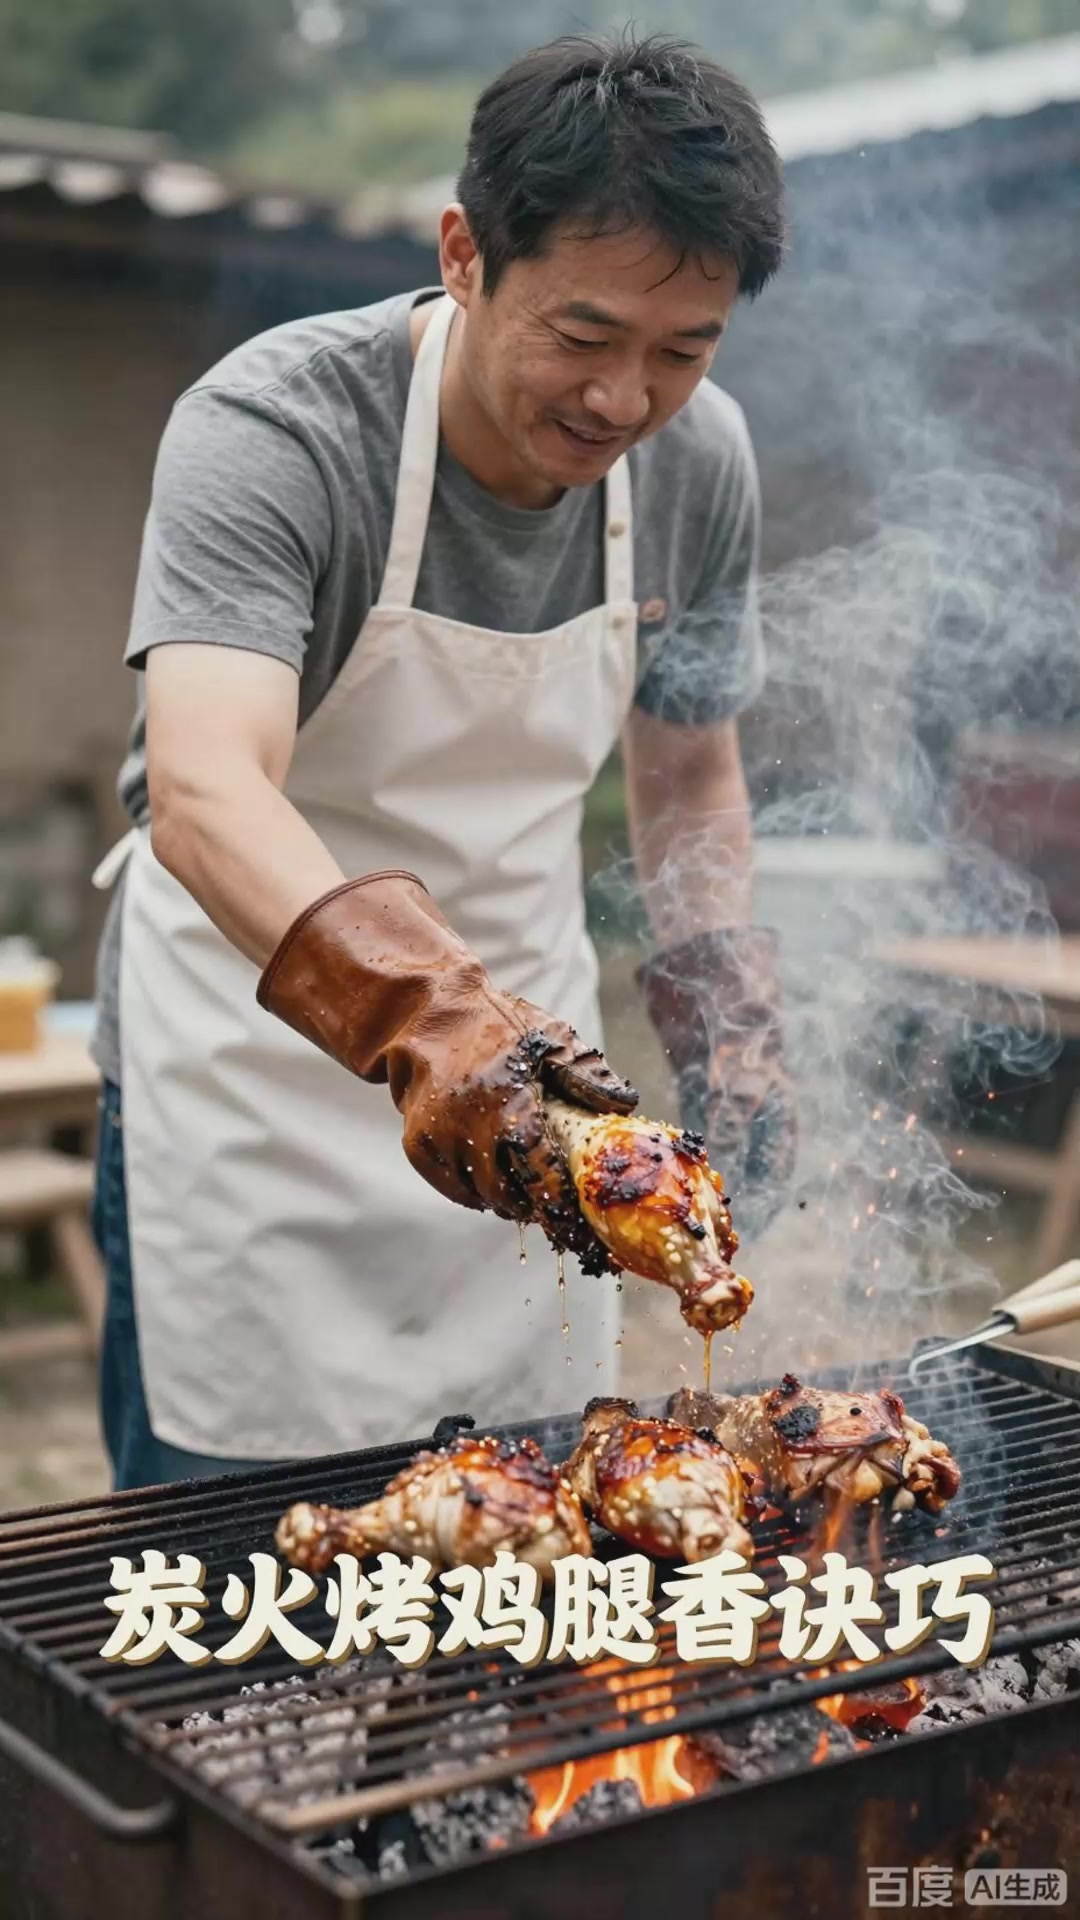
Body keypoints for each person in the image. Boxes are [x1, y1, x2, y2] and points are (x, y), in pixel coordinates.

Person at [90, 30, 796, 1489]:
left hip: (537, 1107)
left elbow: (687, 777)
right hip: (250, 1088)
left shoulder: (700, 460)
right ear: (465, 253)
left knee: (521, 1570)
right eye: (584, 336)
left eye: (683, 350)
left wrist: (727, 1002)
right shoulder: (277, 427)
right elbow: (207, 789)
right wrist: (450, 1034)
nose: (623, 401)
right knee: (226, 1626)